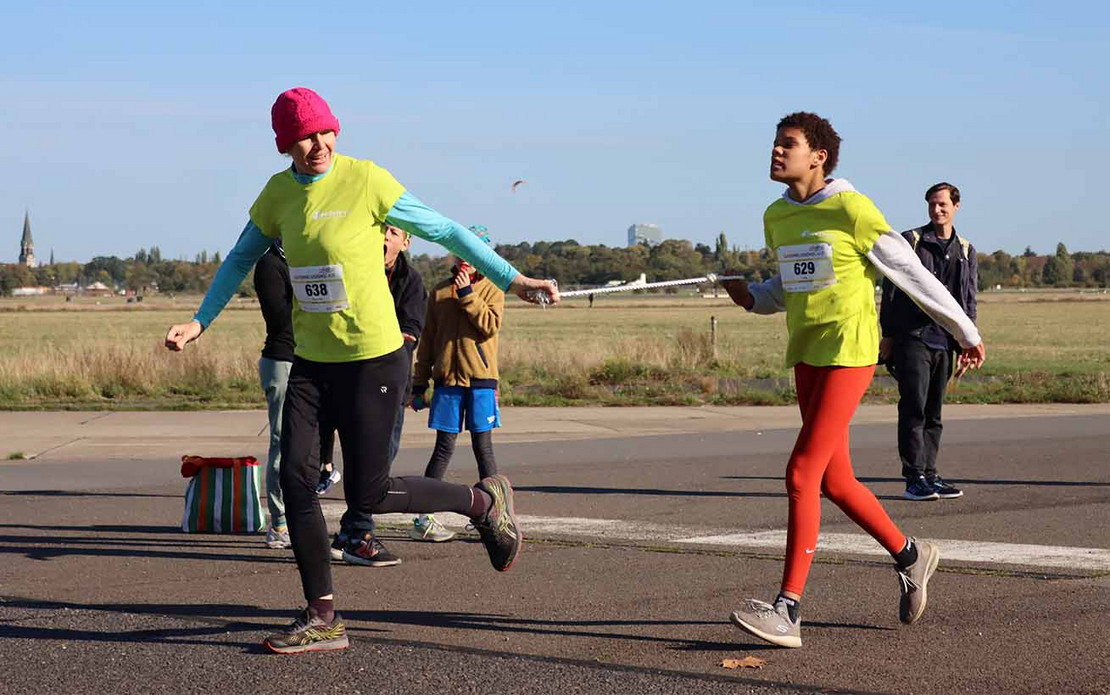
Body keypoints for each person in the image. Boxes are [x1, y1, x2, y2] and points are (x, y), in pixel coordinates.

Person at [164, 87, 558, 654]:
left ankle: (481, 503)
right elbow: (239, 258)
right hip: (309, 362)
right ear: (284, 144)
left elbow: (446, 230)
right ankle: (323, 617)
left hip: (375, 358)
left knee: (367, 494)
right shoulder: (277, 195)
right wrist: (200, 321)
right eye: (303, 136)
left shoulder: (368, 180)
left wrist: (514, 280)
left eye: (325, 132)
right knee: (296, 481)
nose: (317, 144)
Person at [719, 112, 985, 649]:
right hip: (807, 354)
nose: (775, 152)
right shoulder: (777, 216)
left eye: (787, 144)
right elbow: (791, 287)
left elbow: (911, 273)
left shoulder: (852, 208)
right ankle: (911, 555)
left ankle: (788, 609)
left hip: (850, 351)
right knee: (835, 481)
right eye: (774, 144)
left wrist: (963, 329)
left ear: (818, 156)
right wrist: (750, 297)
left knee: (801, 473)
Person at [327, 223, 428, 563]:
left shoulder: (411, 282)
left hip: (387, 383)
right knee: (358, 460)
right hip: (347, 379)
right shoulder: (356, 273)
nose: (385, 237)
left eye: (394, 233)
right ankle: (357, 533)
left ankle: (353, 530)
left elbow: (410, 334)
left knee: (379, 460)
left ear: (406, 242)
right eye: (381, 230)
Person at [879, 183, 976, 501]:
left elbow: (968, 299)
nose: (937, 210)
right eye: (932, 205)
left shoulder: (965, 249)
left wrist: (967, 340)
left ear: (956, 206)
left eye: (943, 204)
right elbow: (892, 290)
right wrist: (889, 335)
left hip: (943, 342)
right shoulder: (911, 241)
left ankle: (931, 475)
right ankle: (914, 478)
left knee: (934, 412)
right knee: (913, 409)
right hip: (913, 339)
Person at [408, 225, 504, 543]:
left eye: (476, 253)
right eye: (464, 251)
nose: (468, 259)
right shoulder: (438, 292)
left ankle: (496, 516)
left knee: (483, 448)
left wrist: (468, 295)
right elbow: (428, 342)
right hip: (448, 381)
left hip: (481, 381)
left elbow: (489, 326)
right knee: (443, 448)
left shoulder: (493, 289)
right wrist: (419, 383)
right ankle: (424, 517)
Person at [254, 240, 342, 551]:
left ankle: (301, 513)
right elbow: (279, 318)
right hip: (282, 360)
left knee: (308, 443)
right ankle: (279, 523)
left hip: (312, 358)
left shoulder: (305, 260)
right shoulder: (270, 265)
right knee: (282, 441)